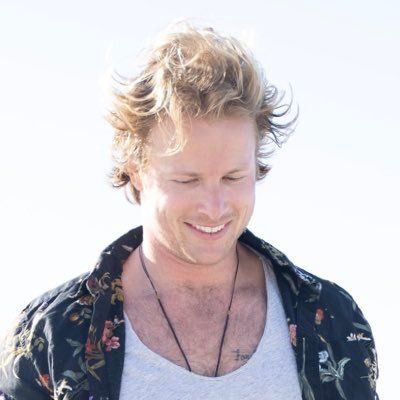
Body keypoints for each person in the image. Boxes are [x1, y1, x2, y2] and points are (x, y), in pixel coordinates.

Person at [0, 23, 379, 400]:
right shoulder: (51, 334)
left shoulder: (335, 321)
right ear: (136, 170)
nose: (214, 208)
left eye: (232, 177)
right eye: (187, 180)